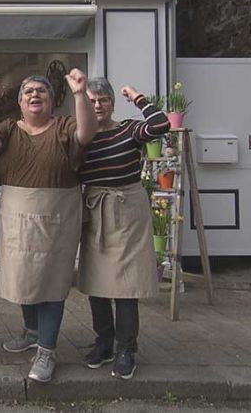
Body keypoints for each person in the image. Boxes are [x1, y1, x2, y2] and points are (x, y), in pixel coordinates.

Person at [0, 69, 96, 383]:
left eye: (41, 91)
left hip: (57, 216)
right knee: (23, 279)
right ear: (19, 102)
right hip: (17, 213)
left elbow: (86, 134)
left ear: (51, 101)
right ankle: (31, 332)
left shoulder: (63, 126)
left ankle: (47, 350)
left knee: (51, 283)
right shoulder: (9, 128)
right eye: (28, 91)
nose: (34, 95)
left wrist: (80, 94)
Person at [77, 78, 170, 380]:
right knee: (96, 282)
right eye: (91, 101)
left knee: (126, 285)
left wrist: (139, 97)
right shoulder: (81, 136)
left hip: (127, 210)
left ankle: (126, 348)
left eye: (103, 99)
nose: (98, 105)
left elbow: (160, 126)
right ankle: (104, 342)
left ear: (112, 102)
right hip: (95, 210)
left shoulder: (128, 128)